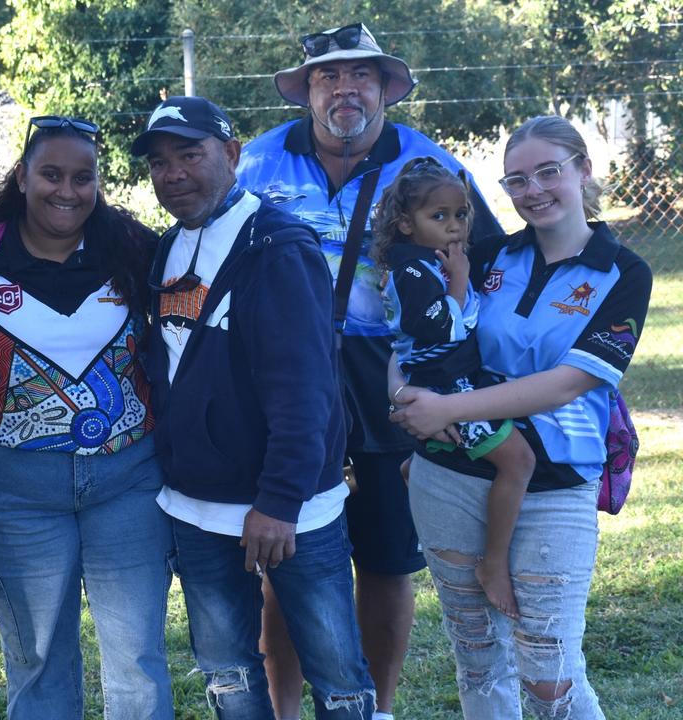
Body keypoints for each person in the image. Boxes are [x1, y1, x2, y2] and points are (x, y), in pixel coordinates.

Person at [234, 23, 502, 719]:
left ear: (385, 88)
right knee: (283, 547)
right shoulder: (255, 164)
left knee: (386, 554)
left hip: (390, 370)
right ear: (307, 90)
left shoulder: (429, 164)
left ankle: (377, 709)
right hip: (286, 374)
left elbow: (488, 258)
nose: (344, 89)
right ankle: (282, 710)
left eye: (362, 76)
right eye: (328, 76)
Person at [0, 115, 172, 719]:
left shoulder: (132, 248)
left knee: (137, 660)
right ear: (23, 176)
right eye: (51, 174)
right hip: (14, 488)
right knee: (37, 661)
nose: (67, 190)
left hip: (127, 480)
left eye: (84, 177)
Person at [390, 115, 652, 719]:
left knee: (549, 674)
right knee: (479, 658)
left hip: (556, 483)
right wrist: (402, 399)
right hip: (449, 474)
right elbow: (408, 336)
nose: (532, 190)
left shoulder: (624, 271)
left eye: (548, 172)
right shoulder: (483, 254)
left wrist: (447, 408)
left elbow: (571, 382)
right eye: (516, 179)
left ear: (583, 170)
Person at [134, 94, 375, 719]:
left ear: (234, 154)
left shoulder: (277, 247)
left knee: (339, 677)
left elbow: (306, 389)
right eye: (159, 163)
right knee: (228, 676)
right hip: (196, 505)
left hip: (290, 510)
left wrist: (278, 500)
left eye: (191, 154)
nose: (173, 174)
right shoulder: (169, 246)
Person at [371, 156, 535, 619]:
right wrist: (460, 284)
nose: (454, 226)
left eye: (460, 215)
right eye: (437, 216)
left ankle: (415, 467)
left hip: (455, 376)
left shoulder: (430, 261)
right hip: (445, 383)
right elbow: (441, 329)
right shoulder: (413, 272)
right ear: (405, 223)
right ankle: (494, 564)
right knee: (519, 460)